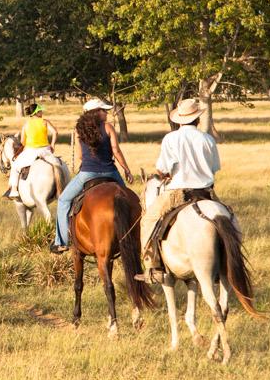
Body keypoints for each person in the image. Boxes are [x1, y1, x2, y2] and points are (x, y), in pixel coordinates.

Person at [136, 98, 221, 283]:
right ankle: (228, 262)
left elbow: (163, 169)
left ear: (180, 119)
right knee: (227, 219)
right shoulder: (207, 139)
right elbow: (214, 168)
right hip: (207, 192)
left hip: (178, 193)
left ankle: (153, 267)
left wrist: (164, 173)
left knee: (149, 220)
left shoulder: (171, 138)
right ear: (197, 119)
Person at [51, 98, 134, 254]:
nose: (107, 113)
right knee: (128, 200)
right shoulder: (108, 127)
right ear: (95, 113)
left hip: (87, 174)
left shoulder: (78, 130)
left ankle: (60, 242)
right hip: (111, 172)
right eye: (104, 110)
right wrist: (127, 170)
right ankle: (136, 236)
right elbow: (116, 151)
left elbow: (81, 156)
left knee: (63, 201)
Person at [4, 103, 63, 199]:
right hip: (45, 150)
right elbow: (55, 132)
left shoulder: (26, 124)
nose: (42, 112)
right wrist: (52, 144)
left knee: (15, 166)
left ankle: (14, 190)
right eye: (40, 111)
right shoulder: (45, 122)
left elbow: (23, 142)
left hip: (30, 151)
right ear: (36, 112)